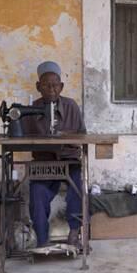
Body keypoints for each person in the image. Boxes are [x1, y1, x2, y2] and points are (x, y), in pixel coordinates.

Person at [21, 61, 86, 248]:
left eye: (55, 85)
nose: (51, 89)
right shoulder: (32, 110)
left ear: (61, 86)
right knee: (37, 193)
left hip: (69, 161)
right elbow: (22, 139)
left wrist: (66, 138)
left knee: (78, 189)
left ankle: (74, 233)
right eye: (46, 85)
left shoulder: (71, 106)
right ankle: (42, 239)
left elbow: (83, 134)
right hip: (44, 163)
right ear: (38, 87)